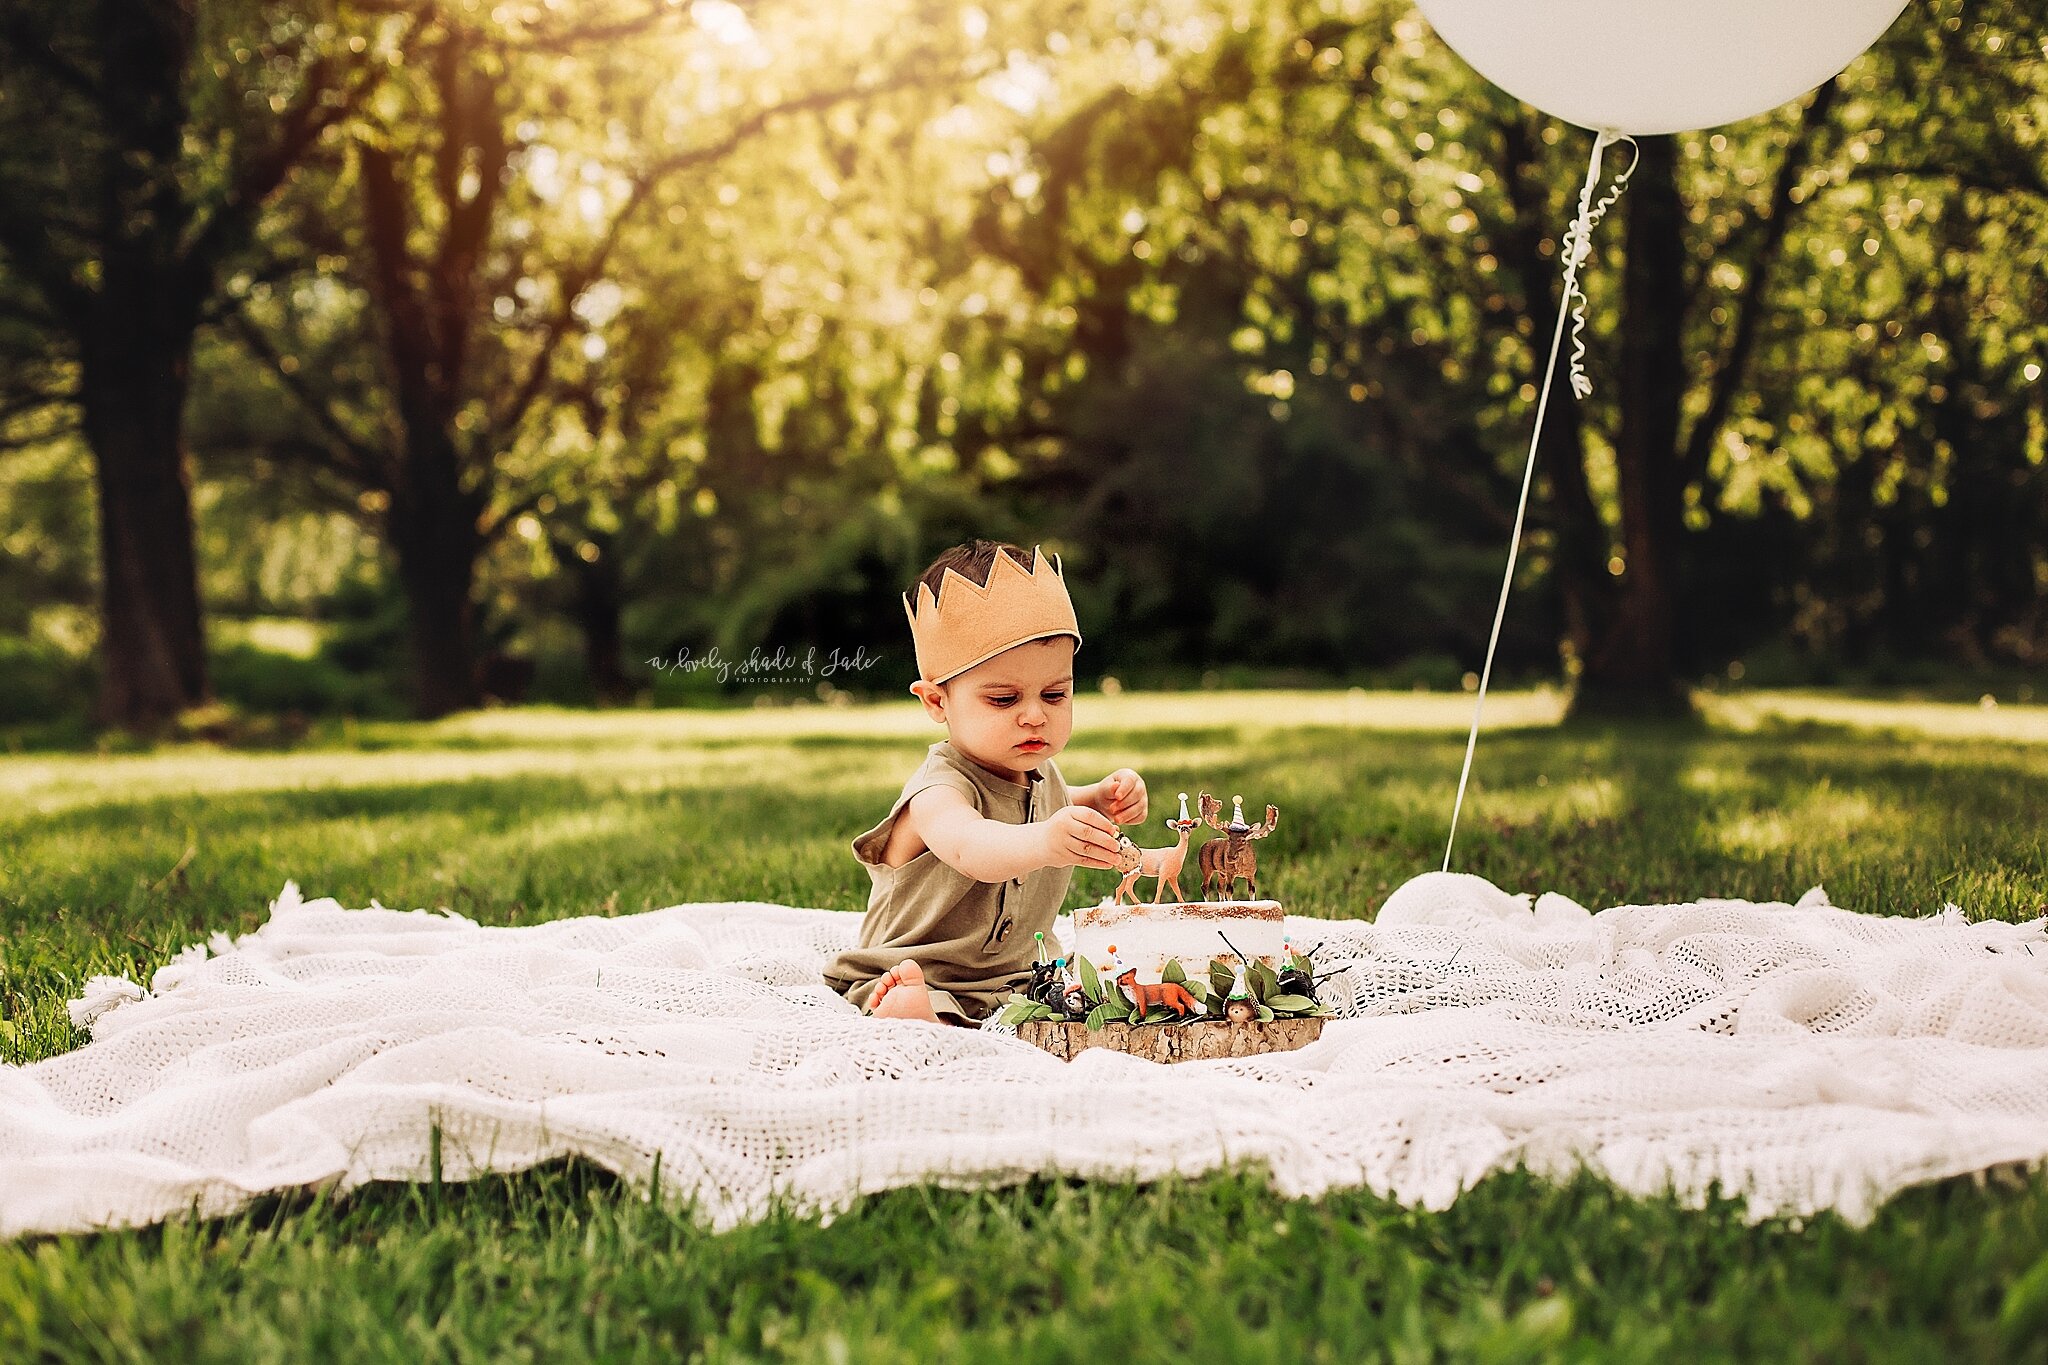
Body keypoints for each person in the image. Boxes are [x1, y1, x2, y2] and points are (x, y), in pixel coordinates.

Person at [822, 539, 1148, 1026]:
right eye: (1003, 699)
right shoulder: (938, 792)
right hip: (924, 971)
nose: (1034, 715)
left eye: (1055, 694)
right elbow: (972, 846)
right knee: (922, 1001)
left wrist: (1098, 801)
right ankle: (909, 1013)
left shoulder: (1041, 774)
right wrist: (1048, 840)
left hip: (1015, 978)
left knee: (1089, 999)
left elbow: (1039, 807)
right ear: (937, 703)